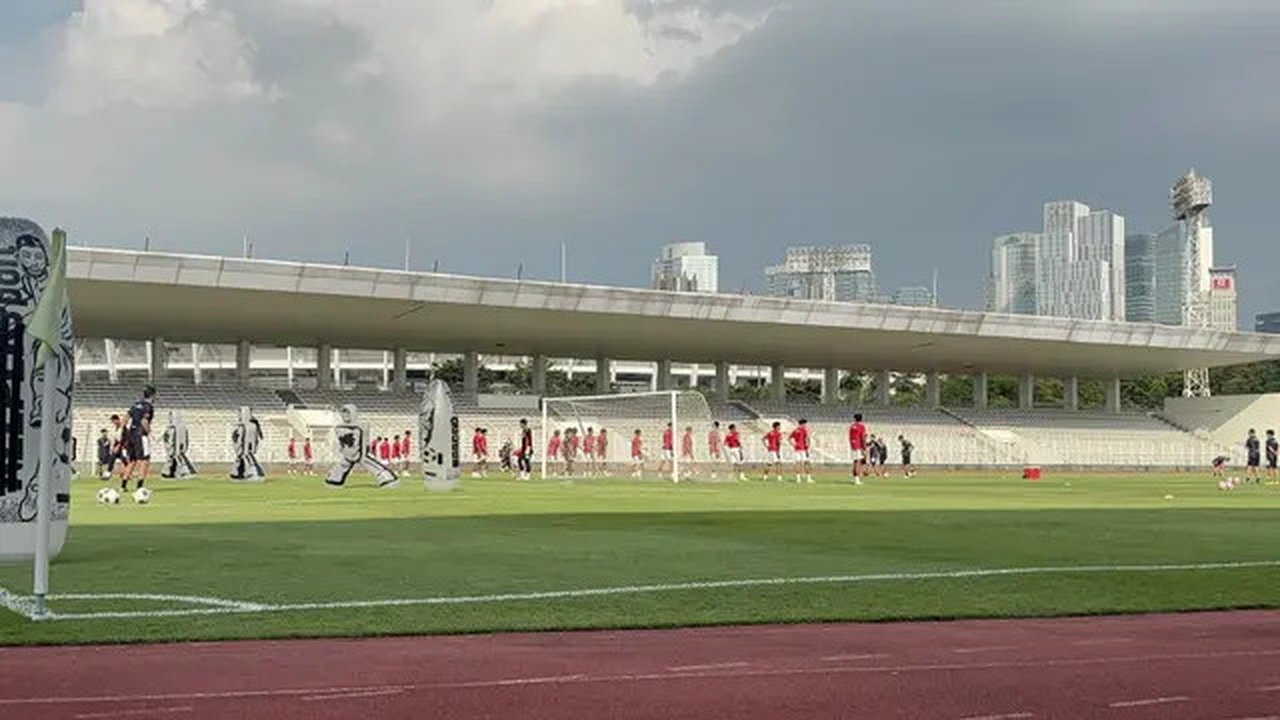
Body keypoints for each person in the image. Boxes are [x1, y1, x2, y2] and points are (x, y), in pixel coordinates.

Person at [121, 385, 156, 492]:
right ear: (153, 395)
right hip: (141, 435)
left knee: (132, 460)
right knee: (145, 460)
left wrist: (125, 433)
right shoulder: (148, 406)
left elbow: (125, 419)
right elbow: (144, 421)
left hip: (131, 434)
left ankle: (123, 486)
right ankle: (140, 486)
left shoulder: (135, 405)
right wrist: (149, 432)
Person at [789, 419, 813, 484]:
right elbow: (807, 438)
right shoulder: (804, 430)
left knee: (798, 463)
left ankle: (798, 479)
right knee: (806, 463)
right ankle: (808, 478)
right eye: (805, 424)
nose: (805, 425)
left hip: (797, 448)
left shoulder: (795, 430)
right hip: (803, 448)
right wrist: (808, 446)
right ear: (802, 424)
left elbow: (789, 438)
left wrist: (793, 444)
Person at [848, 413, 867, 485]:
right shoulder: (861, 426)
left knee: (855, 461)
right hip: (858, 445)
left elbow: (850, 436)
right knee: (858, 462)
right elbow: (862, 437)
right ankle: (857, 480)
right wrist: (864, 448)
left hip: (853, 445)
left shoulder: (852, 426)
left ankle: (855, 478)